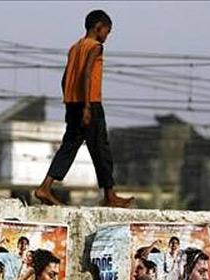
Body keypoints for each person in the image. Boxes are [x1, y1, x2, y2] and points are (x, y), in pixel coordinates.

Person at [34, 10, 134, 208]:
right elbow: (87, 74)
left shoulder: (74, 47)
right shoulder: (95, 47)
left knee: (69, 146)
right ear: (98, 28)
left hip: (72, 104)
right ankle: (110, 195)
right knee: (101, 149)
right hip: (90, 104)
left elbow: (65, 79)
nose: (107, 36)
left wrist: (70, 100)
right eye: (107, 31)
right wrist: (87, 106)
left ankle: (45, 187)